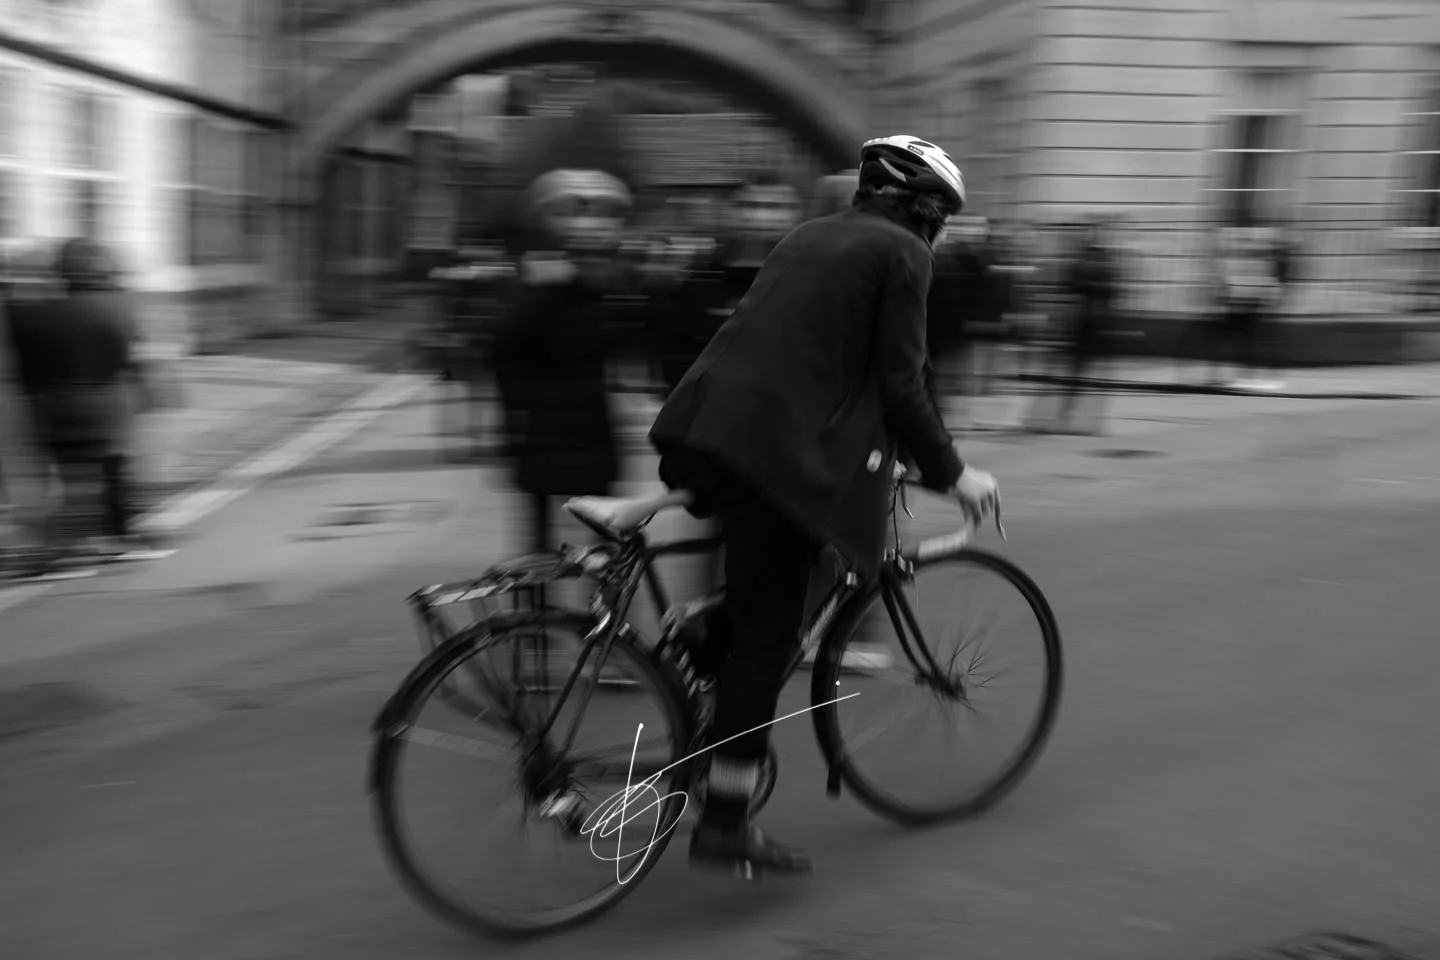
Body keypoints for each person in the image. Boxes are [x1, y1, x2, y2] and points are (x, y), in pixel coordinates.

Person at [649, 135, 1000, 876]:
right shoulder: (906, 255)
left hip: (708, 431)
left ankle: (703, 635)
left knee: (779, 578)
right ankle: (724, 820)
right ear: (926, 208)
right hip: (772, 456)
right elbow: (903, 382)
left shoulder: (810, 235)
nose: (941, 227)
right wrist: (953, 471)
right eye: (942, 213)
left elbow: (815, 355)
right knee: (767, 646)